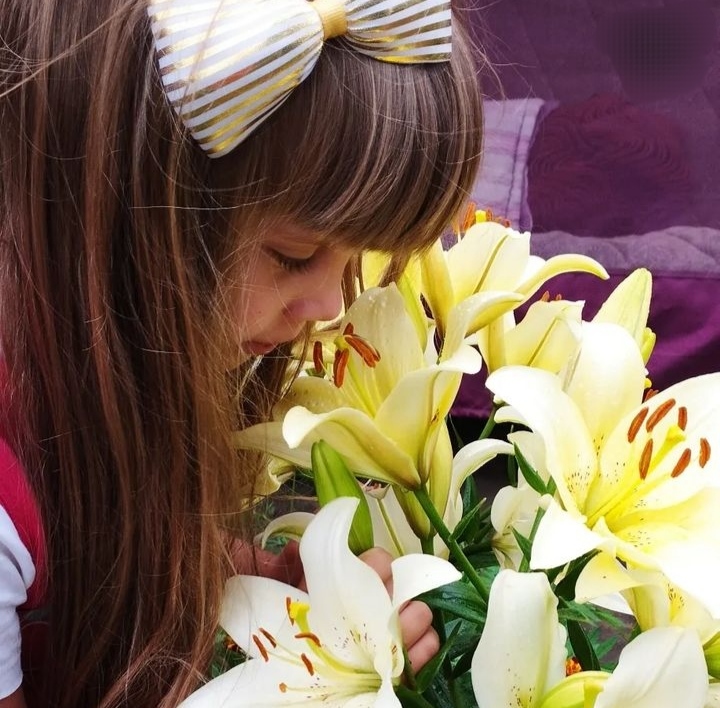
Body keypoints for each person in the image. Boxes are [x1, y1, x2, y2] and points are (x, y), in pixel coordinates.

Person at [0, 0, 484, 705]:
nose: (333, 308)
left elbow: (85, 539)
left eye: (353, 259)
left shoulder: (89, 385)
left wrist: (259, 592)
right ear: (120, 206)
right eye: (293, 255)